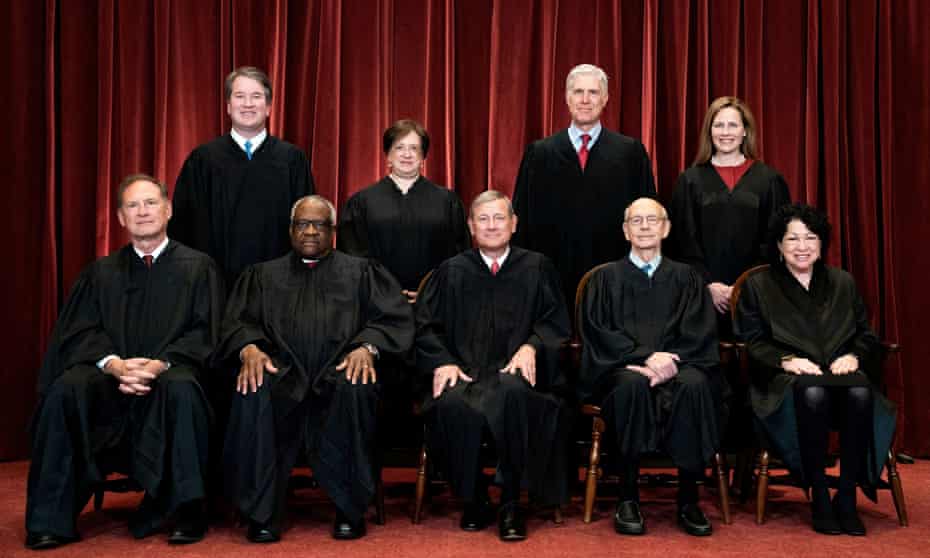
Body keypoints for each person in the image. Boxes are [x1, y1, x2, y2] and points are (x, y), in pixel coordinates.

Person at [25, 174, 223, 550]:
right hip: (110, 381)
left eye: (150, 203)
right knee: (67, 390)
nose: (143, 212)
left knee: (184, 388)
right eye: (133, 205)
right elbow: (79, 331)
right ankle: (49, 519)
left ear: (168, 209)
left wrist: (158, 365)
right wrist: (114, 364)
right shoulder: (101, 273)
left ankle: (186, 511)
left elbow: (205, 332)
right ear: (120, 217)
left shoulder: (199, 268)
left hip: (169, 374)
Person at [219, 195, 414, 543]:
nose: (310, 231)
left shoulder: (361, 272)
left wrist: (366, 347)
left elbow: (393, 318)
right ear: (290, 230)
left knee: (356, 385)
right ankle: (263, 510)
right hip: (282, 375)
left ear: (333, 230)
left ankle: (348, 507)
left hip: (338, 372)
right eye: (302, 224)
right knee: (253, 387)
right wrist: (248, 347)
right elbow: (237, 322)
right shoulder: (263, 275)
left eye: (319, 224)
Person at [415, 191, 571, 542]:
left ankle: (512, 502)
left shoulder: (537, 267)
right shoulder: (451, 271)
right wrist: (442, 362)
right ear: (471, 226)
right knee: (452, 404)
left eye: (499, 218)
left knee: (513, 395)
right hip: (466, 373)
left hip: (517, 376)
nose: (491, 226)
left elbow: (555, 323)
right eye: (483, 219)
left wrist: (532, 346)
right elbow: (425, 326)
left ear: (514, 224)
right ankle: (475, 498)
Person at [733, 203, 896, 536]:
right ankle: (820, 495)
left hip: (841, 374)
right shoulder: (760, 285)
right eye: (792, 239)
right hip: (784, 381)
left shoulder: (842, 282)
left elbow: (866, 335)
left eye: (811, 238)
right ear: (778, 245)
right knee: (814, 393)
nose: (802, 246)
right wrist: (787, 361)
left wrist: (854, 356)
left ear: (822, 244)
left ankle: (846, 495)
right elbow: (753, 342)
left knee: (861, 391)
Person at [579, 198, 721, 537]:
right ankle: (627, 498)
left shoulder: (686, 277)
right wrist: (645, 356)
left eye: (651, 220)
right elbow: (599, 332)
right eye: (636, 221)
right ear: (625, 230)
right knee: (631, 385)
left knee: (694, 385)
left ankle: (689, 499)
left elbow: (699, 331)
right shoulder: (605, 279)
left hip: (680, 363)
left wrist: (669, 361)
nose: (644, 226)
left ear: (666, 228)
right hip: (623, 366)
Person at [513, 63, 656, 309]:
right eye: (578, 92)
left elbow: (648, 219)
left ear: (605, 98)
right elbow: (522, 221)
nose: (585, 100)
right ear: (567, 98)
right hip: (551, 279)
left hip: (616, 280)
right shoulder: (540, 154)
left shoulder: (630, 153)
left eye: (594, 92)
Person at [169, 66, 315, 287]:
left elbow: (308, 226)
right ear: (228, 106)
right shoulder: (203, 160)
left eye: (256, 97)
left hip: (280, 287)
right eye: (239, 96)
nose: (248, 104)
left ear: (268, 107)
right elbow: (182, 227)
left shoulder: (292, 160)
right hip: (214, 286)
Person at [667, 96, 790, 332]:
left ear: (745, 131)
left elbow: (776, 242)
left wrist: (743, 286)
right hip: (700, 297)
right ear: (709, 131)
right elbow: (682, 242)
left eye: (733, 125)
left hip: (756, 295)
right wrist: (708, 285)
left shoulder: (769, 180)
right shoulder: (690, 181)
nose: (725, 132)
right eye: (718, 125)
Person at [338, 119, 469, 303]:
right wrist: (384, 292)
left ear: (423, 157)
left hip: (435, 305)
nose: (407, 154)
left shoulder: (447, 202)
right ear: (388, 156)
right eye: (399, 147)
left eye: (414, 148)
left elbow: (458, 257)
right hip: (378, 305)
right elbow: (352, 258)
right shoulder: (361, 203)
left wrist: (429, 291)